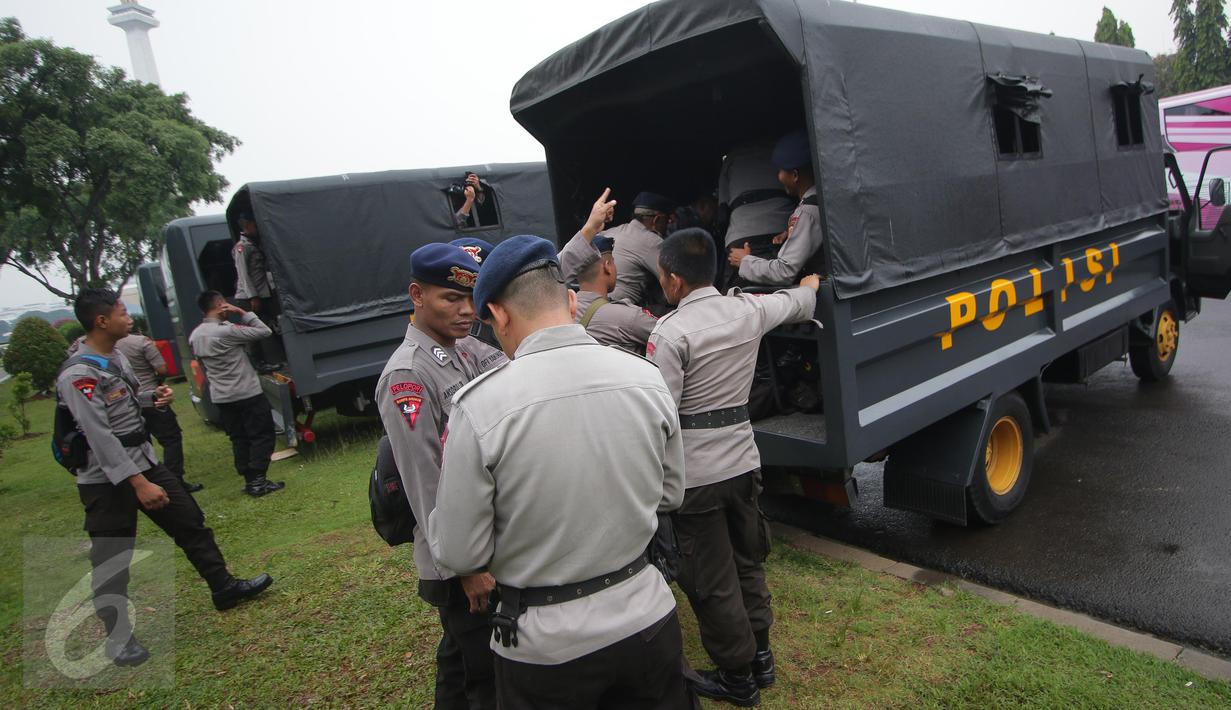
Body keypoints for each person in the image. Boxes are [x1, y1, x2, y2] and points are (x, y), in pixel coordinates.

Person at [428, 235, 692, 709]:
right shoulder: (646, 377)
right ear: (571, 301)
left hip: (545, 645)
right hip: (647, 618)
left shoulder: (479, 407)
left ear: (498, 315)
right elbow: (671, 494)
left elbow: (461, 550)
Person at [648, 228, 820, 706]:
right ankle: (761, 657)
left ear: (674, 279)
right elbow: (798, 302)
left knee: (712, 579)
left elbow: (662, 415)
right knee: (748, 561)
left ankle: (737, 678)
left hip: (695, 476)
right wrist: (810, 285)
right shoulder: (749, 310)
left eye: (661, 276)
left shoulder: (670, 333)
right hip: (743, 463)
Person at [57, 289, 274, 667]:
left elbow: (120, 405)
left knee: (190, 521)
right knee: (112, 555)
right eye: (122, 312)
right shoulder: (79, 374)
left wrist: (149, 400)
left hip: (143, 460)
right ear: (101, 321)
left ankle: (223, 587)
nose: (129, 318)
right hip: (105, 477)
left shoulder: (116, 356)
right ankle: (118, 638)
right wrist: (138, 483)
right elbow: (98, 435)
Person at [375, 243, 505, 709]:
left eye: (471, 297)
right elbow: (424, 480)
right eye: (451, 298)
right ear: (417, 295)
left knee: (460, 661)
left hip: (481, 534)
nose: (466, 310)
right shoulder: (407, 375)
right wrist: (464, 567)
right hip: (457, 555)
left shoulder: (465, 347)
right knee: (487, 675)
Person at [188, 291, 285, 497]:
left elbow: (202, 365)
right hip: (246, 392)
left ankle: (249, 479)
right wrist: (242, 312)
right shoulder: (226, 331)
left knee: (239, 437)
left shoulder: (195, 335)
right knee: (262, 434)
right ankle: (258, 480)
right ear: (220, 305)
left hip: (222, 396)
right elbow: (264, 331)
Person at [557, 189, 659, 353]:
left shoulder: (561, 313)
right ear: (607, 266)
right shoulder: (630, 318)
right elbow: (674, 337)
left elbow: (552, 273)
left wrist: (590, 228)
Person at [728, 130, 825, 286]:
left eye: (780, 171)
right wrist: (791, 234)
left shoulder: (807, 213)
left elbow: (784, 272)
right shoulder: (822, 201)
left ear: (795, 175)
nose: (778, 176)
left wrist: (744, 261)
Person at [117, 332, 201, 492]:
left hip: (125, 403)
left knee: (141, 441)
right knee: (171, 439)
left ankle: (149, 480)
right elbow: (162, 368)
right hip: (152, 396)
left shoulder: (94, 348)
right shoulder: (141, 342)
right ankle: (174, 480)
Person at [717, 139, 796, 288]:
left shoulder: (731, 158)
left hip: (741, 238)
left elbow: (722, 214)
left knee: (736, 293)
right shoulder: (782, 152)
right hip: (781, 232)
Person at [232, 212, 285, 372]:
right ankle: (258, 363)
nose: (257, 229)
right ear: (247, 226)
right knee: (253, 330)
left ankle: (284, 354)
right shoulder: (242, 247)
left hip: (263, 294)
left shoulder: (255, 244)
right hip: (249, 297)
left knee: (276, 324)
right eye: (255, 225)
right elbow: (243, 275)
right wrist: (253, 296)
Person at [607, 191, 676, 309]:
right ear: (656, 220)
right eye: (667, 220)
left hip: (592, 306)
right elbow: (674, 286)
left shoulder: (610, 232)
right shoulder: (653, 242)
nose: (668, 225)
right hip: (620, 309)